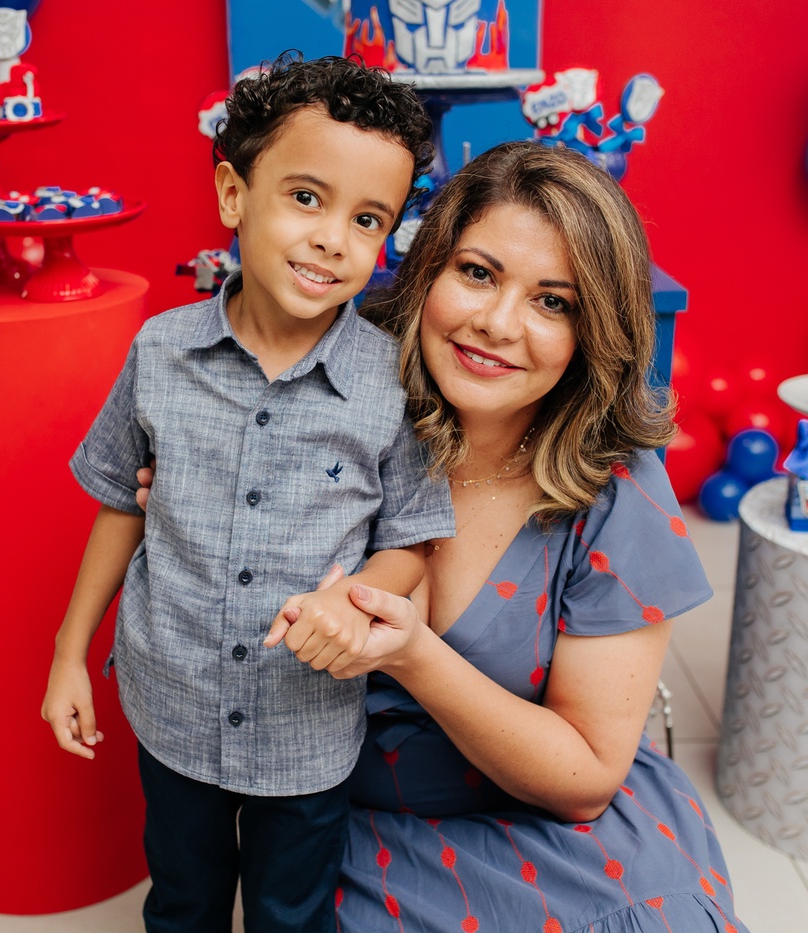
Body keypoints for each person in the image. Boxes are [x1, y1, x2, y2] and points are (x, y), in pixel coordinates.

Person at [145, 140, 748, 930]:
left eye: (553, 302)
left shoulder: (615, 488)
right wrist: (192, 498)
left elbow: (585, 779)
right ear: (427, 270)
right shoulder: (323, 406)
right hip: (343, 820)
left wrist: (413, 654)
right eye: (478, 273)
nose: (496, 323)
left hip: (554, 823)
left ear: (593, 332)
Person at [40, 55, 455, 933]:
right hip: (173, 700)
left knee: (289, 914)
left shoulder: (394, 382)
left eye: (368, 218)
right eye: (306, 197)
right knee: (183, 903)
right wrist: (70, 652)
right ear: (234, 194)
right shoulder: (160, 351)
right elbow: (121, 501)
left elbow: (412, 537)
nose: (333, 239)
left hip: (308, 727)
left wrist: (353, 595)